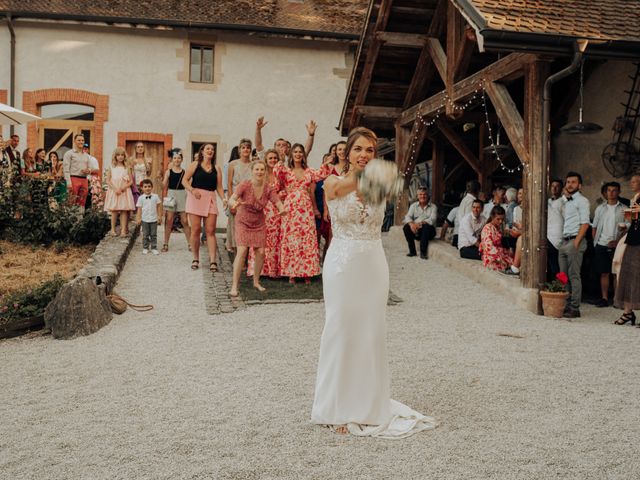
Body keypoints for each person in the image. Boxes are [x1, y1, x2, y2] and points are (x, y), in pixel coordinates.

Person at [311, 126, 435, 438]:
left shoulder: (379, 183)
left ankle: (368, 405)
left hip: (373, 263)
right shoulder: (332, 180)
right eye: (358, 149)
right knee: (339, 328)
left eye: (369, 150)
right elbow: (339, 193)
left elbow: (385, 202)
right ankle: (335, 407)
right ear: (346, 152)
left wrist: (385, 176)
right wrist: (375, 172)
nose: (364, 155)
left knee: (370, 331)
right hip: (342, 264)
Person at [228, 159, 287, 297]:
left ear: (265, 172)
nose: (259, 172)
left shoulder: (268, 188)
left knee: (261, 252)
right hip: (243, 221)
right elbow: (232, 198)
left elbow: (277, 201)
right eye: (257, 169)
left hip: (259, 222)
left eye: (262, 169)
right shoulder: (245, 185)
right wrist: (234, 203)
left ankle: (256, 281)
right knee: (242, 251)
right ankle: (234, 286)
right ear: (252, 171)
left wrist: (282, 209)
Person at [276, 143, 328, 284]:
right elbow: (277, 173)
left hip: (305, 208)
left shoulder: (309, 171)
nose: (298, 154)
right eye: (295, 152)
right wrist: (280, 159)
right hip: (291, 207)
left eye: (300, 152)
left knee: (306, 238)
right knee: (291, 238)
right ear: (291, 155)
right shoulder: (286, 171)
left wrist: (327, 163)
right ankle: (291, 272)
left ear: (303, 155)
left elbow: (322, 174)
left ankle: (307, 272)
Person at [183, 143, 227, 271]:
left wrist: (223, 198)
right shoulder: (195, 165)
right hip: (195, 198)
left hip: (210, 199)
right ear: (202, 151)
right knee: (195, 230)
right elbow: (184, 180)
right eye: (208, 148)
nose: (210, 151)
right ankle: (195, 259)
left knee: (210, 231)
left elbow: (218, 187)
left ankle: (213, 261)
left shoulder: (217, 168)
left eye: (212, 149)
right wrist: (192, 190)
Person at [247, 149, 286, 278]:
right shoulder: (260, 174)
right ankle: (259, 269)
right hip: (262, 209)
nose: (273, 160)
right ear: (266, 160)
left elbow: (286, 189)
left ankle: (273, 270)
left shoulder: (280, 174)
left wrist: (280, 194)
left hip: (275, 210)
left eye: (275, 158)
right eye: (270, 158)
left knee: (274, 239)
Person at [558, 171, 591, 318]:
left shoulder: (582, 201)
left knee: (573, 275)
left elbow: (585, 223)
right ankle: (565, 304)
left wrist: (576, 243)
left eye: (573, 182)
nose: (570, 184)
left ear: (580, 185)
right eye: (568, 182)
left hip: (574, 241)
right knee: (563, 275)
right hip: (564, 241)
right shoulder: (566, 200)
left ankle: (575, 307)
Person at [592, 182, 626, 307]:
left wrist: (618, 241)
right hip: (601, 244)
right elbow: (594, 227)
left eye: (614, 190)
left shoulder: (624, 209)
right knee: (604, 272)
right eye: (609, 190)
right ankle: (605, 298)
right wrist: (596, 242)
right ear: (605, 192)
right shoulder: (600, 208)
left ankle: (617, 300)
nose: (611, 193)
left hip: (618, 244)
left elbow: (628, 227)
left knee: (616, 273)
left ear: (619, 192)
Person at [613, 174, 640, 326]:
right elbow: (635, 220)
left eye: (635, 181)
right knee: (627, 275)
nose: (632, 183)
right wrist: (630, 217)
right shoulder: (635, 197)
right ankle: (627, 312)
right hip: (633, 239)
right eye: (632, 181)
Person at [226, 139, 254, 252]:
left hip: (249, 198)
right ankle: (238, 256)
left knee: (248, 228)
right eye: (243, 147)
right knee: (236, 228)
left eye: (248, 147)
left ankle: (247, 257)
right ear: (239, 150)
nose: (246, 149)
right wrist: (230, 203)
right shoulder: (233, 164)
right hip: (236, 198)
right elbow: (228, 183)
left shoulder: (254, 164)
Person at [161, 149, 191, 252]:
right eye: (175, 158)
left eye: (179, 158)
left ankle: (190, 244)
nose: (177, 160)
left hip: (182, 194)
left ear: (182, 160)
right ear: (172, 160)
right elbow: (164, 185)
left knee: (185, 220)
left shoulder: (185, 172)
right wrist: (161, 178)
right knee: (169, 220)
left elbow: (189, 184)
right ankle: (165, 243)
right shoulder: (168, 172)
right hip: (171, 194)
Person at [104, 147, 135, 237]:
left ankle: (123, 230)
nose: (120, 157)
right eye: (118, 155)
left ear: (124, 156)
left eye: (122, 155)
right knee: (114, 210)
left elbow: (131, 182)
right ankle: (112, 230)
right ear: (115, 156)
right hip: (114, 190)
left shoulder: (127, 167)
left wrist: (122, 188)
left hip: (124, 191)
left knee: (123, 210)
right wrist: (115, 189)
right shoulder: (112, 167)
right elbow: (108, 180)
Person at [403, 187, 437, 259]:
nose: (422, 196)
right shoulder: (413, 206)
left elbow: (432, 219)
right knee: (406, 227)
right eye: (420, 194)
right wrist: (412, 224)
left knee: (426, 226)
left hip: (429, 232)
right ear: (417, 196)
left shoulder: (433, 207)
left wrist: (420, 224)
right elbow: (407, 217)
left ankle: (423, 253)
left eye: (424, 194)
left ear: (428, 196)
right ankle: (412, 252)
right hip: (417, 230)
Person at [480, 206, 515, 272]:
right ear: (492, 217)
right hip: (491, 257)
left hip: (500, 253)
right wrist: (500, 259)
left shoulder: (498, 227)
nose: (501, 221)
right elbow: (489, 247)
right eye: (498, 219)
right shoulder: (487, 228)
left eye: (502, 219)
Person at [63, 133, 91, 212]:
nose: (81, 142)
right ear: (74, 141)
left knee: (82, 201)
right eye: (79, 140)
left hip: (84, 180)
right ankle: (71, 221)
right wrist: (68, 182)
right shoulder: (69, 154)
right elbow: (66, 169)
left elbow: (89, 168)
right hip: (73, 178)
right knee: (72, 200)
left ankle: (80, 221)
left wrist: (88, 170)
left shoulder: (86, 155)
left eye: (82, 140)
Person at [136, 179, 162, 255]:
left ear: (152, 187)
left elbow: (159, 207)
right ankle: (145, 247)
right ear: (142, 188)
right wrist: (138, 218)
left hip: (153, 219)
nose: (147, 188)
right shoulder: (141, 198)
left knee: (153, 234)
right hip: (144, 220)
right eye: (145, 187)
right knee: (145, 234)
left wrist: (159, 216)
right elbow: (139, 209)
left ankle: (154, 247)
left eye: (149, 186)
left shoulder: (155, 196)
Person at [547, 178, 564, 279]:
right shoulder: (548, 201)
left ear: (561, 189)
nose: (554, 188)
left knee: (557, 265)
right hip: (547, 234)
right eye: (553, 186)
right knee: (548, 264)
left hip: (557, 235)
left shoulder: (564, 201)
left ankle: (559, 287)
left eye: (557, 186)